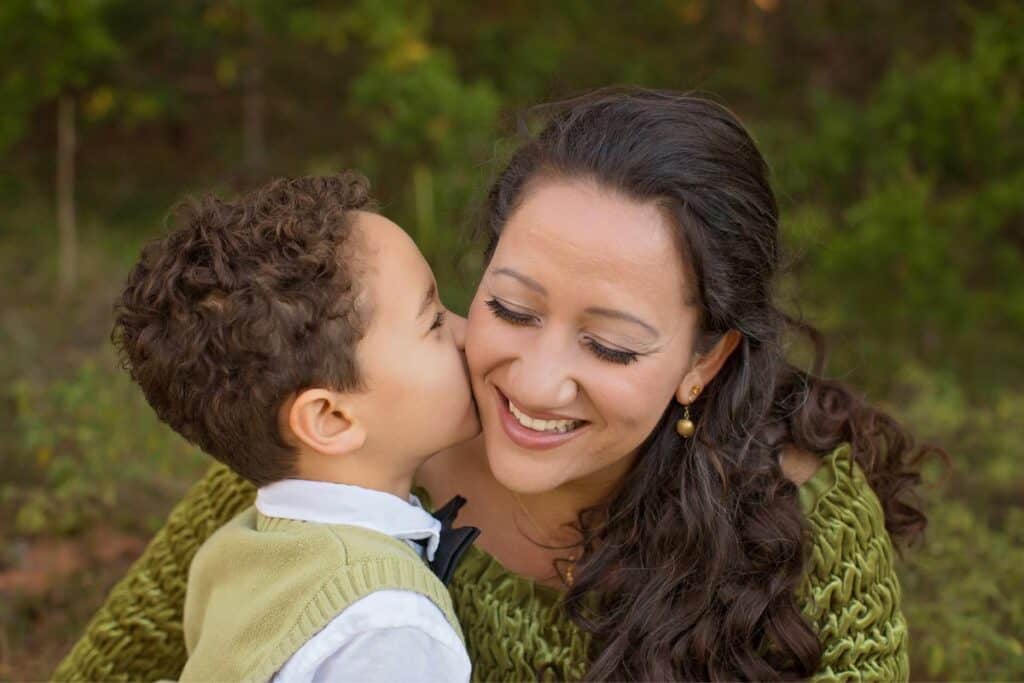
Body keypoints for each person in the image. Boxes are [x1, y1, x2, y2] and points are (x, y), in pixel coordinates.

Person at [55, 88, 931, 682]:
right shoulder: (351, 451)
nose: (537, 380)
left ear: (705, 360)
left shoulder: (810, 529)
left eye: (612, 346)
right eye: (510, 307)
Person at [108, 173, 481, 682]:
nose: (467, 331)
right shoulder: (389, 629)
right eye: (433, 322)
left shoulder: (235, 554)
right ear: (330, 419)